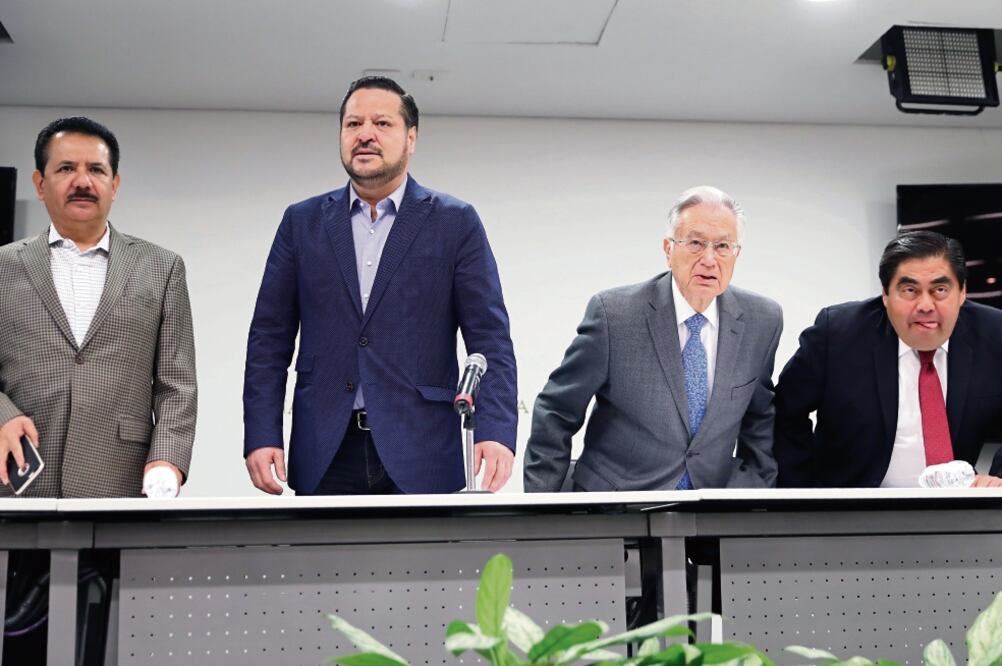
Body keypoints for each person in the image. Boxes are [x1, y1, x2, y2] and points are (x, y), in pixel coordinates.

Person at [243, 76, 517, 495]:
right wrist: (262, 434)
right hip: (325, 451)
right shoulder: (301, 223)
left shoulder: (455, 222)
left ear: (411, 138)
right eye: (353, 124)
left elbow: (490, 338)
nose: (365, 134)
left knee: (429, 564)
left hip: (423, 449)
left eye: (382, 124)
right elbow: (268, 339)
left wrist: (495, 430)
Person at [523, 186, 783, 491]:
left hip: (711, 511)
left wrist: (754, 489)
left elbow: (760, 418)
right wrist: (546, 511)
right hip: (617, 507)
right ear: (668, 249)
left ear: (736, 253)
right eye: (696, 243)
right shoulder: (614, 316)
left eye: (723, 246)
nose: (710, 259)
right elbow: (556, 410)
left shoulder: (762, 320)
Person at [0, 117, 197, 498]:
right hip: (18, 481)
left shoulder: (163, 267)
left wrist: (167, 459)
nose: (83, 182)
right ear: (40, 184)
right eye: (66, 168)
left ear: (114, 184)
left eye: (95, 169)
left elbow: (177, 385)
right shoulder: (2, 267)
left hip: (118, 479)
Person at [774, 230, 1002, 488]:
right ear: (885, 294)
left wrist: (997, 481)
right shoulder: (838, 333)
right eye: (909, 290)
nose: (925, 305)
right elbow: (785, 411)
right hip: (851, 505)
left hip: (954, 508)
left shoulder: (994, 334)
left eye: (940, 289)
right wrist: (800, 495)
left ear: (962, 292)